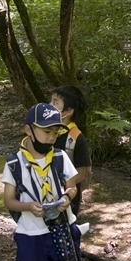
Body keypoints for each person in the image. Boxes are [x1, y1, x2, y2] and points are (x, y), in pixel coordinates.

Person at [2, 103, 86, 261]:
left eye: (55, 132)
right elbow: (8, 201)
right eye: (46, 131)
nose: (51, 137)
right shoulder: (15, 163)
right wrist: (28, 206)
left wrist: (67, 197)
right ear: (28, 130)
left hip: (63, 227)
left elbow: (72, 186)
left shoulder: (59, 156)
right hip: (31, 234)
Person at [51, 86, 91, 217]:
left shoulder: (76, 139)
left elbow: (81, 174)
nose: (50, 105)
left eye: (55, 102)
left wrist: (62, 187)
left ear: (68, 111)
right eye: (51, 101)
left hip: (68, 196)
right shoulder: (46, 132)